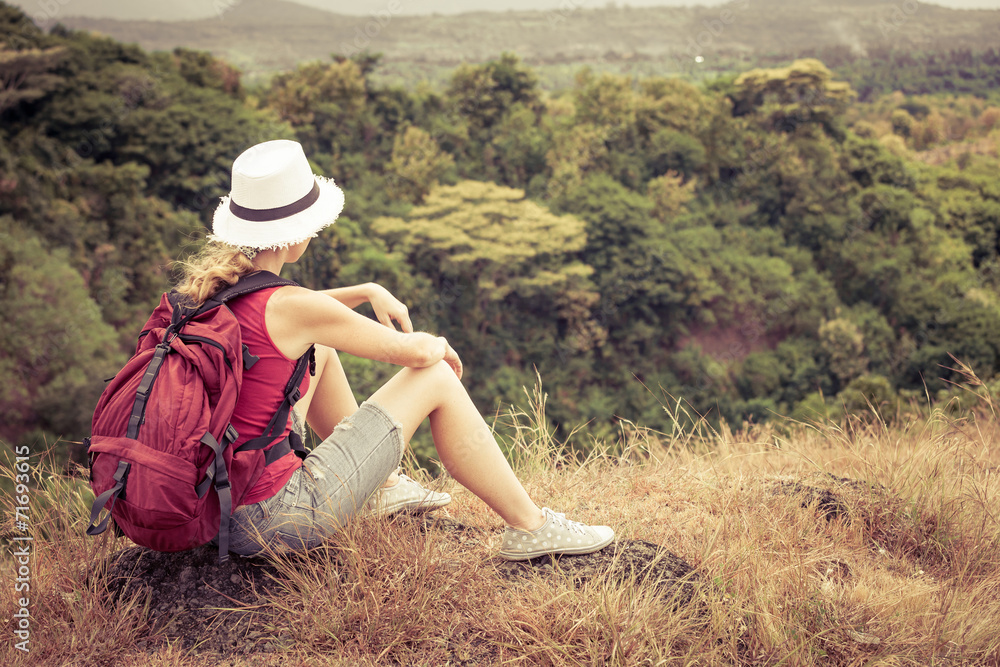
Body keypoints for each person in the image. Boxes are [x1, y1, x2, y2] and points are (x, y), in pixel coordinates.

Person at [176, 139, 614, 561]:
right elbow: (416, 355)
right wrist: (438, 345)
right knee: (435, 375)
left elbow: (304, 315)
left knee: (321, 345)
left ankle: (382, 487)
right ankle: (532, 527)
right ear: (295, 236)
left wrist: (366, 290)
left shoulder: (210, 293)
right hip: (276, 519)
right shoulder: (292, 306)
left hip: (216, 505)